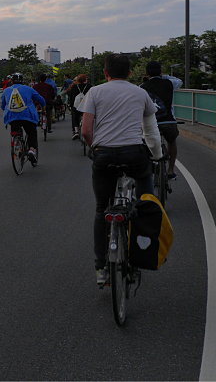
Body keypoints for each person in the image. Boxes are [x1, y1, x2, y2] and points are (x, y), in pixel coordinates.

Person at [80, 54, 162, 286]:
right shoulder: (140, 93)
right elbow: (150, 130)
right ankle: (141, 254)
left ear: (106, 73)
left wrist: (95, 149)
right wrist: (156, 155)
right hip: (134, 154)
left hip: (104, 154)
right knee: (146, 202)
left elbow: (86, 131)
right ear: (129, 73)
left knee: (100, 209)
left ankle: (101, 268)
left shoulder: (95, 92)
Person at [140, 61, 183, 179]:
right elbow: (180, 81)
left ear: (147, 73)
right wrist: (164, 76)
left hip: (151, 123)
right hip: (168, 122)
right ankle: (170, 170)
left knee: (145, 143)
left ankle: (149, 167)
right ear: (161, 72)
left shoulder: (142, 87)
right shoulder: (169, 83)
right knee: (171, 141)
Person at [0, 72, 46, 164]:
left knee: (15, 130)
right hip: (27, 116)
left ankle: (17, 144)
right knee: (31, 132)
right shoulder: (29, 89)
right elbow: (41, 100)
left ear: (12, 81)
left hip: (12, 117)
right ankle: (32, 150)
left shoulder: (6, 90)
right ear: (22, 81)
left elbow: (2, 105)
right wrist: (43, 107)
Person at [67, 74, 91, 140]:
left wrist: (71, 105)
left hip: (76, 106)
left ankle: (76, 131)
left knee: (74, 116)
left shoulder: (74, 87)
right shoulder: (89, 87)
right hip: (87, 106)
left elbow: (71, 97)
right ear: (85, 80)